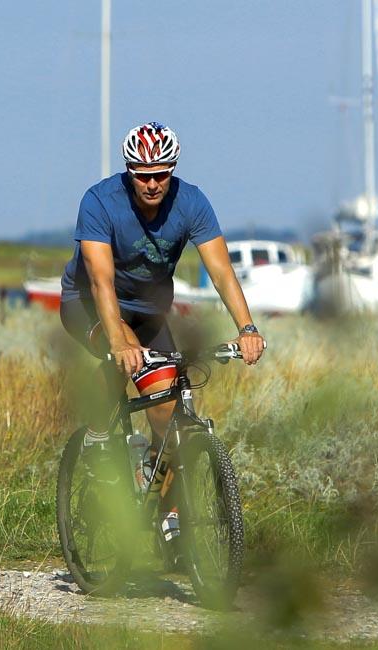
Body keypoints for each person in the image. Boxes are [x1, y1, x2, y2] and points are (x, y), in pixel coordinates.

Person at [58, 122, 266, 537]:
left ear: (172, 170)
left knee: (166, 411)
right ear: (129, 172)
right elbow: (100, 279)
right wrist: (117, 338)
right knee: (125, 353)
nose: (152, 184)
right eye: (142, 175)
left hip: (150, 314)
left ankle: (165, 515)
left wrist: (247, 327)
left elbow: (221, 270)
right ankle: (100, 438)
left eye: (161, 174)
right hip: (90, 304)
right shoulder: (101, 202)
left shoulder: (191, 202)